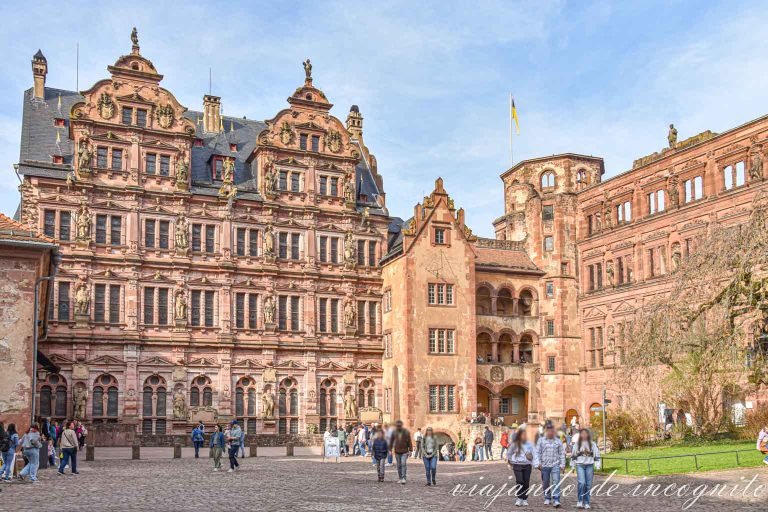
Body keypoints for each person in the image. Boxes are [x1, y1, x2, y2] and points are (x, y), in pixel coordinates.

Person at [535, 421, 566, 508]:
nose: (550, 432)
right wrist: (538, 463)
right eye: (548, 431)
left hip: (555, 465)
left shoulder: (558, 441)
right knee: (545, 482)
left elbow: (562, 454)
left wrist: (562, 465)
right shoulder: (541, 441)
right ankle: (547, 497)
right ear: (545, 431)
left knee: (556, 481)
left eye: (552, 431)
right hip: (544, 465)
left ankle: (556, 499)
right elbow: (537, 453)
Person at [571, 428, 601, 509]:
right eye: (582, 434)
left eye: (585, 433)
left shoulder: (592, 444)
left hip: (589, 465)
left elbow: (597, 454)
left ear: (588, 435)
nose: (584, 435)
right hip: (580, 465)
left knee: (588, 485)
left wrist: (598, 464)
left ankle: (587, 502)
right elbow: (573, 455)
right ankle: (580, 501)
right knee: (582, 483)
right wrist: (572, 465)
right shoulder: (577, 444)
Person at [507, 425, 535, 507]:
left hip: (527, 465)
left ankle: (525, 499)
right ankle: (519, 498)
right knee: (519, 481)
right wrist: (512, 461)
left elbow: (534, 454)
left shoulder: (530, 444)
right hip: (517, 465)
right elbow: (509, 453)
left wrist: (534, 463)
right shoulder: (515, 444)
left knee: (526, 482)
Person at [391, 420, 412, 484]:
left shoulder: (406, 432)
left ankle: (403, 478)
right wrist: (390, 449)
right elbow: (391, 441)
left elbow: (409, 441)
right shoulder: (394, 432)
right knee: (399, 465)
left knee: (403, 464)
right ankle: (400, 478)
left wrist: (410, 450)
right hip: (397, 451)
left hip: (404, 451)